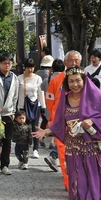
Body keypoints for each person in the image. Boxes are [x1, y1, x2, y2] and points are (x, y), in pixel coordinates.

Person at [32, 66, 101, 199]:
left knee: (93, 182)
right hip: (72, 149)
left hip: (91, 149)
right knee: (77, 181)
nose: (75, 84)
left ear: (84, 80)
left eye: (78, 80)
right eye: (71, 81)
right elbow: (59, 121)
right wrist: (46, 131)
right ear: (66, 83)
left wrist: (92, 120)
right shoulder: (65, 98)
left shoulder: (95, 95)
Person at [45, 50, 82, 190]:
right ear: (65, 62)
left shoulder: (85, 78)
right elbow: (49, 101)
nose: (74, 63)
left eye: (76, 60)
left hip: (80, 124)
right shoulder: (56, 80)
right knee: (64, 155)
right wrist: (53, 118)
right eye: (71, 60)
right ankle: (70, 184)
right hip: (61, 124)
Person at [17, 58, 46, 159]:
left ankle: (36, 149)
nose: (30, 69)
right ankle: (25, 149)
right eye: (28, 67)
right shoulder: (19, 78)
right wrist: (18, 108)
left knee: (35, 128)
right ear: (25, 67)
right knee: (25, 129)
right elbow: (16, 94)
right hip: (23, 106)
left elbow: (40, 92)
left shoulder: (38, 78)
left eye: (32, 67)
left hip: (35, 106)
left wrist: (43, 106)